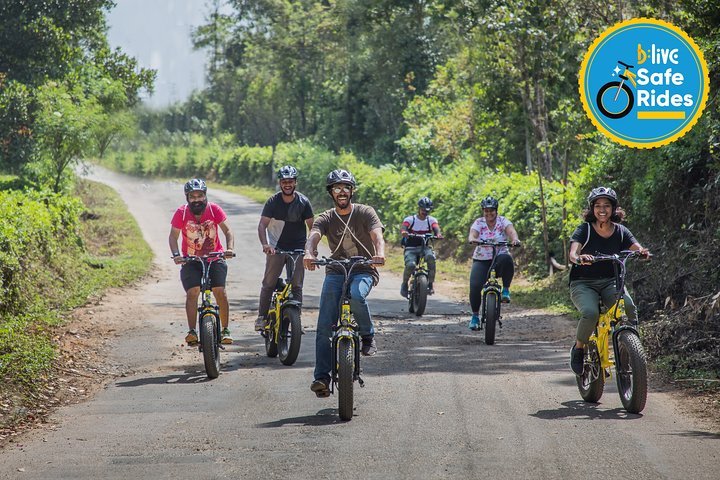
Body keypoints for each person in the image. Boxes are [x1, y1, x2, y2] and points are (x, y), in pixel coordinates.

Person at [303, 169, 385, 397]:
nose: (342, 191)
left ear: (351, 191)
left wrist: (379, 253)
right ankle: (321, 378)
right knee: (324, 325)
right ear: (331, 192)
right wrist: (309, 253)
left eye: (346, 187)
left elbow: (377, 234)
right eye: (337, 188)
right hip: (336, 270)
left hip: (363, 268)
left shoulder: (365, 212)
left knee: (357, 295)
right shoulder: (326, 217)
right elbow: (314, 236)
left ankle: (367, 335)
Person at [568, 187, 650, 375]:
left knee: (627, 306)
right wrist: (579, 257)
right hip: (583, 283)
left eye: (607, 205)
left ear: (614, 209)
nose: (602, 210)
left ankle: (632, 347)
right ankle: (579, 348)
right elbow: (573, 252)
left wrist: (642, 253)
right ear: (592, 209)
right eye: (598, 206)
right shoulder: (585, 229)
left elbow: (637, 248)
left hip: (610, 281)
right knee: (590, 313)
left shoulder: (621, 231)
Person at [169, 178, 235, 345]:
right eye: (192, 196)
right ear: (187, 198)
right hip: (191, 260)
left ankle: (225, 329)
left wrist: (229, 249)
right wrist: (176, 254)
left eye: (200, 195)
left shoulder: (214, 210)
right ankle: (192, 331)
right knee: (193, 292)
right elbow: (173, 236)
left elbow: (228, 231)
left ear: (205, 196)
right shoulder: (181, 213)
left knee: (220, 290)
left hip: (215, 257)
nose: (196, 199)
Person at [256, 165, 315, 331]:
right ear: (280, 183)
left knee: (297, 285)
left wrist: (310, 248)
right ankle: (262, 317)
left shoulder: (303, 202)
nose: (287, 184)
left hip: (297, 247)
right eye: (284, 181)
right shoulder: (273, 202)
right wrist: (265, 244)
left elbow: (313, 228)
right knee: (268, 283)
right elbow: (262, 225)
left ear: (295, 182)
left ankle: (297, 321)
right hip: (276, 246)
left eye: (290, 181)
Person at [467, 195, 520, 330]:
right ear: (483, 211)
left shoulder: (503, 221)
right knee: (474, 286)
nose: (489, 213)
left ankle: (506, 291)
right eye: (486, 210)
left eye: (491, 210)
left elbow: (511, 231)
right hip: (481, 258)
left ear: (496, 210)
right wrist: (473, 239)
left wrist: (514, 239)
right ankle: (474, 317)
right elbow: (472, 234)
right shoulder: (479, 222)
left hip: (499, 258)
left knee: (507, 259)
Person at [400, 196, 443, 298]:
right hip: (411, 249)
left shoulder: (431, 220)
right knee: (410, 265)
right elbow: (404, 228)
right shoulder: (410, 219)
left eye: (427, 210)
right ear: (419, 208)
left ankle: (430, 283)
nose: (425, 212)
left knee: (431, 258)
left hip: (425, 247)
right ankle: (404, 284)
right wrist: (404, 232)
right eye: (423, 210)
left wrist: (438, 235)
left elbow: (436, 229)